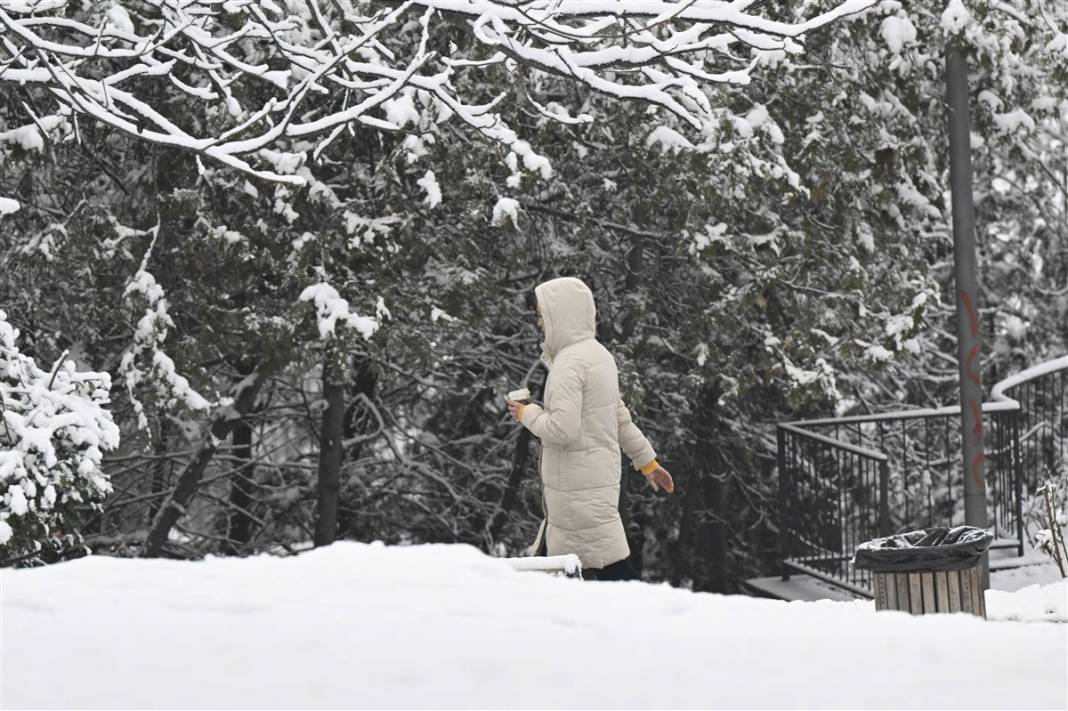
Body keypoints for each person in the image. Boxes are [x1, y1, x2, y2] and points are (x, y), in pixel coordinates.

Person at [506, 276, 674, 582]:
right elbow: (620, 419)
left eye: (543, 316)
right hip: (596, 486)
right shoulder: (600, 356)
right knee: (596, 563)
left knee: (594, 570)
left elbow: (562, 430)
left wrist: (527, 413)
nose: (540, 324)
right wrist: (648, 463)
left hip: (575, 493)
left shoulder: (568, 364)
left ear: (562, 315)